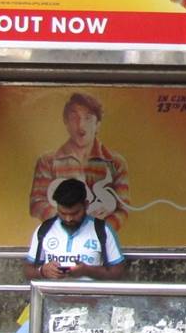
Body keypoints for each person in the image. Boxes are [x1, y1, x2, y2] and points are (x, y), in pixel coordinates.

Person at [5, 178, 127, 333]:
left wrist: (88, 271)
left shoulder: (101, 231)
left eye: (75, 213)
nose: (69, 218)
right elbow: (28, 268)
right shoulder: (45, 230)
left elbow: (117, 270)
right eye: (63, 213)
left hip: (91, 309)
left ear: (86, 205)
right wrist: (42, 270)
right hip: (49, 306)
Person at [28, 92, 129, 230]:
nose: (80, 125)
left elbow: (123, 209)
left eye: (87, 118)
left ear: (97, 124)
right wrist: (67, 222)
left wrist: (98, 232)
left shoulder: (116, 162)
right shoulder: (48, 161)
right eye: (74, 117)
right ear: (66, 122)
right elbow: (37, 203)